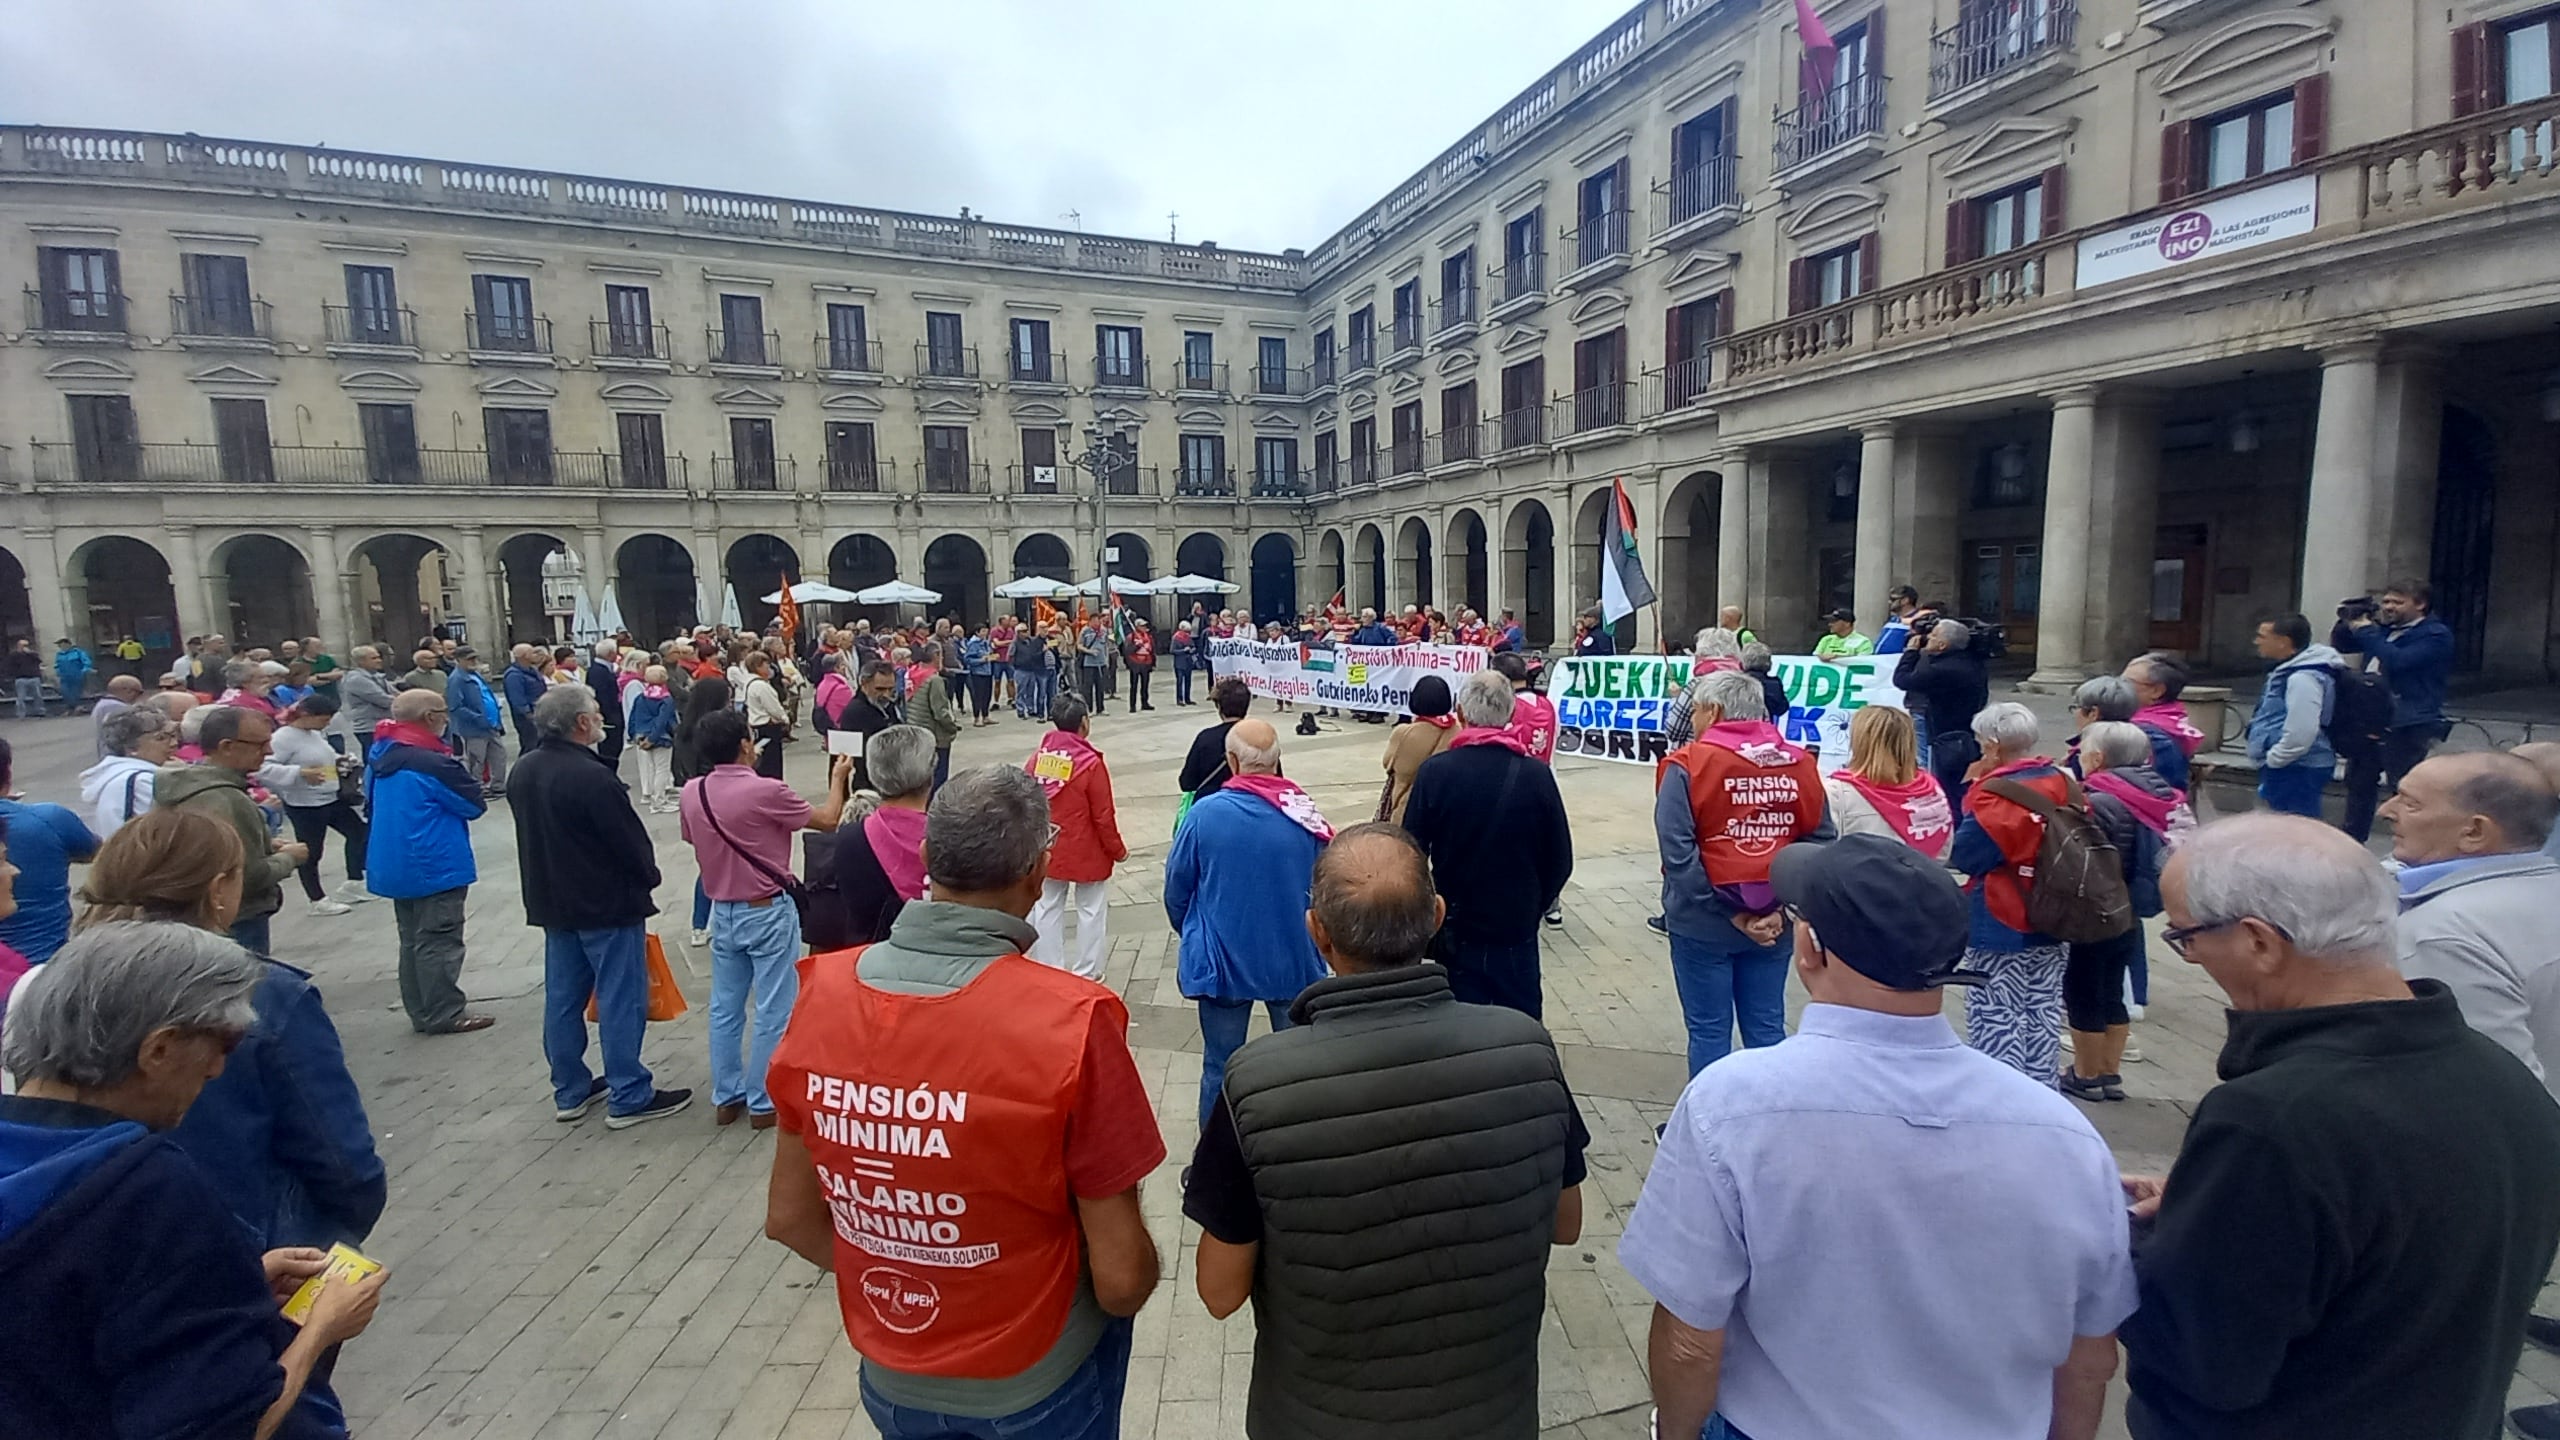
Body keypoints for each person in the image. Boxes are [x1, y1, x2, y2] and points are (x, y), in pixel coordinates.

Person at [1622, 834, 2135, 1440]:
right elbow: (2091, 1357)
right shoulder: (2065, 1134)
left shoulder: (1730, 1106)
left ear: (1809, 947)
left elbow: (1690, 1343)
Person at [2120, 814, 2560, 1440]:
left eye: (2186, 939)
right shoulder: (2503, 1076)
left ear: (2259, 943)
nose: (2190, 958)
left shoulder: (2273, 1119)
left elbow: (2205, 1360)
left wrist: (2130, 1245)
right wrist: (2215, 1212)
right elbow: (2394, 1235)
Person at [763, 765, 1165, 1440]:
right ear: (1040, 873)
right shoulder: (1072, 1019)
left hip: (892, 1373)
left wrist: (912, 1281)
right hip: (1036, 1375)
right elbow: (1122, 1277)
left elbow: (789, 1218)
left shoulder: (820, 991)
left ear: (925, 857)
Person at [1181, 823, 1589, 1440]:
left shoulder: (1259, 1081)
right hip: (1494, 1414)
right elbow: (1567, 1224)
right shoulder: (1526, 1049)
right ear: (1437, 917)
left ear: (1315, 931)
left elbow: (1218, 1291)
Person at [0, 922, 390, 1440]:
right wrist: (322, 1329)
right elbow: (229, 1423)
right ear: (158, 1050)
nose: (218, 1070)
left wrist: (234, 1282)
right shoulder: (149, 1189)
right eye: (225, 1041)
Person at [74, 811, 385, 1259]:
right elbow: (341, 1160)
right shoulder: (262, 995)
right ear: (218, 890)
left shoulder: (59, 983)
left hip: (115, 1250)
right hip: (259, 1252)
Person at [512, 685, 692, 1130]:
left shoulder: (525, 769)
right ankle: (629, 1091)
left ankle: (569, 1088)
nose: (601, 719)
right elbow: (628, 842)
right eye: (595, 713)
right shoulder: (592, 777)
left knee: (562, 998)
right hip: (605, 902)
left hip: (552, 900)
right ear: (580, 723)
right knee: (619, 997)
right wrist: (648, 878)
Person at [680, 708, 852, 1128]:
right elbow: (828, 821)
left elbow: (691, 838)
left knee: (725, 1005)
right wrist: (838, 779)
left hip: (723, 907)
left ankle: (726, 1094)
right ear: (744, 745)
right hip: (766, 907)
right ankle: (763, 1098)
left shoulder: (692, 791)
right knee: (774, 1005)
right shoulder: (765, 790)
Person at [1657, 669, 1834, 1076]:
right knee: (1767, 1026)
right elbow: (1822, 841)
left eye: (1697, 710)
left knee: (1708, 1031)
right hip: (1776, 919)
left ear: (1714, 712)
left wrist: (1733, 914)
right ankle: (1771, 1123)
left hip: (1703, 921)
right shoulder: (1800, 762)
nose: (1694, 720)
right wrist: (1785, 911)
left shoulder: (1687, 765)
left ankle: (1709, 1128)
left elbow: (1678, 854)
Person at [1164, 718, 1331, 1125]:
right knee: (1295, 1068)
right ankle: (1293, 1150)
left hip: (1222, 964)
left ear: (1232, 761)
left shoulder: (1205, 815)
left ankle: (1212, 1168)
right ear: (1277, 762)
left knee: (1219, 1066)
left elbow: (1177, 889)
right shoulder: (1304, 813)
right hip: (1290, 961)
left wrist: (1194, 930)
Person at [2381, 751, 2560, 1093]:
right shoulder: (2544, 889)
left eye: (2410, 804)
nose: (2386, 811)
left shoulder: (2445, 934)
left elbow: (2487, 1091)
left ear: (2475, 831)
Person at [1401, 671, 1572, 1018]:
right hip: (1515, 924)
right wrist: (1532, 905)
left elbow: (1411, 852)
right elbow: (1560, 858)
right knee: (1520, 1024)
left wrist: (1430, 908)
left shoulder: (1436, 772)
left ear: (1461, 713)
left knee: (1460, 1025)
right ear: (1510, 716)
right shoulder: (1536, 775)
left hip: (1455, 922)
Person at [1946, 702, 2076, 1084]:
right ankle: (2042, 1086)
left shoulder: (1996, 793)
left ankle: (2002, 1091)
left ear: (1992, 744)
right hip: (2058, 906)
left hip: (2003, 912)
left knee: (1995, 1009)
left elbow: (1968, 856)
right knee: (2043, 1005)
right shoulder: (2064, 780)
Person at [365, 688, 496, 1035]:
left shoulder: (381, 752)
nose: (446, 717)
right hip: (434, 861)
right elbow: (473, 804)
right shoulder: (433, 762)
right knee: (439, 939)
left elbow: (368, 802)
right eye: (443, 711)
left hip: (392, 860)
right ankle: (444, 1012)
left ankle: (421, 1010)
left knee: (411, 939)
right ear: (429, 718)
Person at [2059, 722, 2172, 1102]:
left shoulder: (2101, 797)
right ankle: (2110, 1072)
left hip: (2098, 907)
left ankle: (2086, 1074)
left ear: (2100, 757)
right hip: (2134, 908)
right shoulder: (2157, 791)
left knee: (2083, 989)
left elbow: (2082, 855)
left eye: (2085, 752)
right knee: (2111, 990)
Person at [155, 706, 305, 955]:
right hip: (237, 917)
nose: (268, 751)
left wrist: (264, 842)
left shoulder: (183, 787)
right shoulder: (224, 798)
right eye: (260, 744)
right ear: (226, 746)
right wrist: (291, 857)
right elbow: (244, 875)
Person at [2332, 578, 2456, 841]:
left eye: (2398, 602)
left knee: (2403, 787)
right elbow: (2342, 644)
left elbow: (2397, 661)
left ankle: (2409, 843)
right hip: (2369, 719)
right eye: (2386, 601)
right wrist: (2349, 619)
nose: (2389, 607)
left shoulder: (2436, 635)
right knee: (2359, 783)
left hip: (2408, 722)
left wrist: (2367, 631)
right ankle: (2352, 842)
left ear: (2420, 604)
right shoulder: (2383, 631)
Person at [1027, 693, 1126, 981]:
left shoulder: (1038, 758)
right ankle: (1088, 971)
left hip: (1047, 846)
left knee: (1046, 906)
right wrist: (1117, 850)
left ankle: (1049, 967)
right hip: (1087, 848)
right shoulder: (1091, 763)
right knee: (1091, 909)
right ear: (1084, 722)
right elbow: (1103, 815)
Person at [814, 724, 938, 949]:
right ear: (931, 770)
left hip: (868, 962)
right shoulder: (947, 839)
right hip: (938, 963)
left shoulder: (849, 839)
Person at [269, 696, 369, 918]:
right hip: (305, 803)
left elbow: (324, 757)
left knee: (359, 832)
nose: (327, 724)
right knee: (311, 851)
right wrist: (299, 773)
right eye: (324, 719)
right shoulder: (282, 738)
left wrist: (341, 761)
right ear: (306, 716)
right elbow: (264, 768)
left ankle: (354, 881)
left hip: (330, 796)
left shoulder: (314, 734)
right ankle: (317, 899)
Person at [2243, 612, 2344, 819]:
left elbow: (2303, 728)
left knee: (2293, 832)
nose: (2256, 642)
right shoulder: (2291, 671)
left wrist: (2275, 758)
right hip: (2294, 765)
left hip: (2298, 767)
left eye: (2262, 636)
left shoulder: (2302, 677)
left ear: (2283, 642)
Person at [1821, 703, 1953, 859]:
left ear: (1859, 743)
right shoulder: (1930, 788)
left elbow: (1824, 852)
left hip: (1858, 881)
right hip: (1925, 879)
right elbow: (1945, 847)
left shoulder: (1837, 792)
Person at [1893, 618, 1990, 799]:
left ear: (1942, 645)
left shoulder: (1940, 669)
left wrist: (1912, 651)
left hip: (1941, 730)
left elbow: (1902, 679)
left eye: (1933, 635)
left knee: (1937, 770)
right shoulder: (1971, 661)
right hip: (1964, 726)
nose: (1928, 637)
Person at [79, 702, 176, 840]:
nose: (174, 743)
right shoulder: (141, 781)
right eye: (161, 738)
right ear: (132, 748)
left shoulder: (117, 776)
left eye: (174, 735)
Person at [1381, 673, 1461, 824]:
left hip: (1406, 809)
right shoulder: (1457, 731)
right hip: (1443, 810)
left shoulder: (1404, 732)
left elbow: (1387, 763)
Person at [2122, 652, 2206, 793]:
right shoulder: (2171, 719)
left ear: (2157, 691)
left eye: (2126, 682)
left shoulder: (2151, 735)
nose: (2118, 686)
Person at [444, 646, 508, 799]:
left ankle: (498, 786)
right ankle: (476, 787)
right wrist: (478, 718)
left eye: (475, 658)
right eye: (469, 659)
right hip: (474, 728)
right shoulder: (456, 679)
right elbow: (455, 707)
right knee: (476, 759)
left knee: (499, 755)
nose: (474, 662)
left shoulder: (475, 675)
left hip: (492, 724)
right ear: (458, 660)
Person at [1178, 676, 1252, 808]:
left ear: (1219, 706)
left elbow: (1186, 783)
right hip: (1251, 807)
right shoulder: (1259, 737)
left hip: (1210, 809)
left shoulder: (1206, 738)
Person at [905, 641, 966, 790]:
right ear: (936, 655)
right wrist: (952, 727)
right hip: (935, 735)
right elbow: (941, 712)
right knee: (938, 779)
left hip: (916, 731)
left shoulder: (912, 673)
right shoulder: (934, 680)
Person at [839, 660, 905, 792]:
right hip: (868, 786)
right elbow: (840, 760)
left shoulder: (889, 706)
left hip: (894, 782)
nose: (886, 694)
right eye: (880, 689)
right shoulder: (853, 713)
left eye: (890, 689)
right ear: (864, 683)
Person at [625, 665, 679, 813]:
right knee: (662, 770)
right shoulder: (666, 699)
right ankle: (658, 802)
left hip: (641, 736)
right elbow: (662, 720)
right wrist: (653, 737)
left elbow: (633, 717)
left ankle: (651, 796)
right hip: (660, 738)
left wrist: (633, 735)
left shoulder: (641, 697)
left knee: (651, 769)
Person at [581, 642, 627, 768]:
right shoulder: (598, 671)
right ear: (610, 654)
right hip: (609, 717)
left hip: (612, 715)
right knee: (610, 750)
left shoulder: (605, 668)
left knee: (615, 749)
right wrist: (607, 716)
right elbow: (602, 696)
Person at [339, 645, 396, 741]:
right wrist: (405, 702)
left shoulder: (377, 676)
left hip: (383, 724)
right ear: (361, 661)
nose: (379, 660)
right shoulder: (356, 679)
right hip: (369, 728)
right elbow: (383, 700)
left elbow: (395, 692)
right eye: (374, 658)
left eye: (378, 657)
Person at [88, 672, 145, 759]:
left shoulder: (102, 705)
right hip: (118, 757)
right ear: (128, 691)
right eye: (139, 692)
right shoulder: (118, 707)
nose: (138, 697)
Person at [502, 643, 547, 751]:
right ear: (525, 656)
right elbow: (517, 700)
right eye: (533, 652)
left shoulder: (532, 670)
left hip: (540, 713)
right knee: (531, 746)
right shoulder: (514, 675)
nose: (536, 655)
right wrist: (530, 716)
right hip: (527, 720)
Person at [1012, 621, 1053, 720]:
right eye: (1023, 631)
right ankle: (1021, 710)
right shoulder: (1015, 643)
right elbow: (1010, 656)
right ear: (1018, 633)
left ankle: (1030, 709)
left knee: (1031, 691)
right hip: (1021, 669)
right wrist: (1016, 665)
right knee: (1021, 691)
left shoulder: (1031, 641)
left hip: (1032, 669)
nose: (1026, 633)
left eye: (1027, 630)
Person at [960, 623, 997, 725]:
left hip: (988, 671)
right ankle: (977, 717)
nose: (985, 633)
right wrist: (981, 660)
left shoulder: (986, 642)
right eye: (983, 631)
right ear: (977, 632)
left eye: (986, 630)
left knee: (987, 695)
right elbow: (967, 659)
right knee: (978, 696)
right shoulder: (973, 644)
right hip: (978, 673)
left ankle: (986, 716)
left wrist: (992, 657)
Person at [1119, 617, 1156, 712]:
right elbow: (1127, 651)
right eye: (1142, 626)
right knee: (1134, 685)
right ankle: (1132, 705)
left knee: (1145, 685)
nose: (1144, 627)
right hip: (1135, 663)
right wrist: (1137, 646)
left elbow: (1152, 650)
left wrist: (1153, 662)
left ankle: (1145, 703)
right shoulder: (1131, 637)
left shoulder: (1148, 636)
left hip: (1146, 663)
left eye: (1145, 626)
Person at [1874, 584, 1921, 654]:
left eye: (1893, 599)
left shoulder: (1919, 620)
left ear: (1905, 600)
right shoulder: (1893, 619)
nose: (1889, 602)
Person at [1076, 619, 1111, 710]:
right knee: (1088, 687)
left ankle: (1101, 708)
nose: (1096, 623)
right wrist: (1089, 651)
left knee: (1100, 686)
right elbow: (1079, 645)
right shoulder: (1085, 631)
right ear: (1090, 622)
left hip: (1101, 663)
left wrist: (1106, 659)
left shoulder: (1104, 631)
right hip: (1088, 663)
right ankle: (1089, 708)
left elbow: (1106, 645)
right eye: (1094, 621)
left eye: (1098, 621)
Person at [6, 638, 43, 718]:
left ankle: (40, 711)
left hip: (33, 677)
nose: (25, 647)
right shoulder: (14, 655)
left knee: (38, 695)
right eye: (23, 645)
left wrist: (30, 653)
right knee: (21, 697)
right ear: (18, 646)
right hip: (21, 678)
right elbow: (10, 666)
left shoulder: (33, 654)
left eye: (27, 645)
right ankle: (21, 713)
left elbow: (39, 661)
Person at [53, 638, 93, 710]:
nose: (60, 647)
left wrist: (84, 670)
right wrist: (57, 672)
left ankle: (75, 708)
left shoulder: (77, 652)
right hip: (64, 677)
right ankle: (72, 707)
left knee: (75, 692)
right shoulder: (59, 654)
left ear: (67, 644)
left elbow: (86, 662)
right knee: (65, 692)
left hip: (76, 676)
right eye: (59, 645)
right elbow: (57, 665)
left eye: (61, 645)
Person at [1169, 621, 1199, 707]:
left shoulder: (1188, 638)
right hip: (1179, 663)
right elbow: (1172, 650)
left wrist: (1192, 650)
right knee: (1180, 681)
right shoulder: (1176, 638)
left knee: (1188, 681)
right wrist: (1183, 650)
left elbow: (1193, 646)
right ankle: (1179, 699)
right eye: (1186, 631)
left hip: (1188, 662)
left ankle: (1187, 698)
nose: (1188, 633)